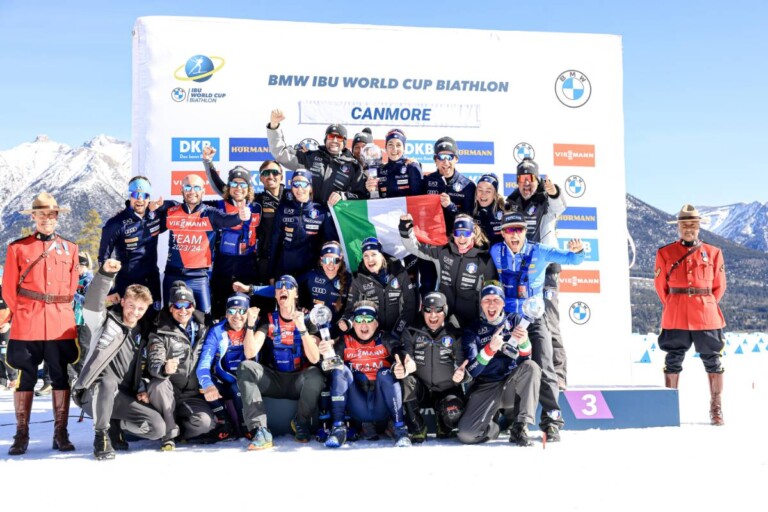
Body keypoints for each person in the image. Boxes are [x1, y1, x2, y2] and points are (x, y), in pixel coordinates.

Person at [489, 211, 585, 442]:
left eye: (518, 230)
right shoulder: (495, 251)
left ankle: (551, 422)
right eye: (509, 230)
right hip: (508, 321)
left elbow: (573, 260)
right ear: (502, 233)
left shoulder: (539, 251)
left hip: (534, 319)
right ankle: (516, 422)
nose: (514, 235)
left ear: (525, 232)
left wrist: (579, 251)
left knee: (545, 366)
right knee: (515, 369)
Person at [3, 192, 80, 455]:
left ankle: (61, 433)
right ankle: (21, 434)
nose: (46, 218)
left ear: (57, 217)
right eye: (41, 214)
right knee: (25, 377)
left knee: (60, 375)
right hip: (28, 322)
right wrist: (24, 312)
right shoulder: (18, 248)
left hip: (59, 323)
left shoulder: (70, 248)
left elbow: (71, 288)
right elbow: (8, 289)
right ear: (33, 217)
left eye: (51, 214)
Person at [74, 259, 165, 460]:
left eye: (140, 309)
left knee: (157, 428)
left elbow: (141, 367)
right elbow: (92, 304)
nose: (135, 312)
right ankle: (101, 436)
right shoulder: (104, 322)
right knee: (107, 382)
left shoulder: (143, 333)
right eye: (131, 305)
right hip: (94, 393)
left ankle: (116, 425)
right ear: (123, 302)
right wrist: (105, 275)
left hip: (124, 396)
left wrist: (143, 388)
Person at [654, 204, 727, 426]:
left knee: (713, 361)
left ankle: (716, 409)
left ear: (699, 227)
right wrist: (674, 303)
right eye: (685, 224)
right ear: (678, 227)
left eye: (693, 225)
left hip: (706, 314)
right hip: (676, 314)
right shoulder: (665, 253)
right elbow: (661, 287)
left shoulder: (714, 253)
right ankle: (669, 408)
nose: (689, 228)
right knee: (673, 359)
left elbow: (719, 287)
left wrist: (705, 303)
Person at [236, 275, 324, 450]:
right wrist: (250, 325)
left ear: (296, 293)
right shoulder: (269, 319)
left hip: (298, 379)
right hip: (274, 379)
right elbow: (250, 353)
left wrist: (302, 329)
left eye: (288, 286)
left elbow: (315, 358)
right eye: (279, 286)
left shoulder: (308, 319)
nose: (283, 289)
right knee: (246, 367)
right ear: (275, 294)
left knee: (315, 374)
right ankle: (260, 430)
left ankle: (300, 422)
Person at [505, 157, 568, 389]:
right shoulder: (511, 202)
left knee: (549, 322)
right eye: (521, 179)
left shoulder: (545, 199)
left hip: (546, 271)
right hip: (521, 274)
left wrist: (554, 191)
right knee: (523, 322)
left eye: (530, 179)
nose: (526, 183)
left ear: (537, 180)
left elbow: (559, 205)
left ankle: (558, 376)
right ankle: (529, 374)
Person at [458, 283, 542, 446]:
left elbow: (526, 361)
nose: (491, 304)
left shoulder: (515, 320)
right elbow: (472, 371)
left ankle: (520, 426)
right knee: (467, 435)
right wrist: (489, 350)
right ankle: (495, 427)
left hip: (511, 384)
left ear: (503, 303)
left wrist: (524, 343)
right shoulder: (472, 329)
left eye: (496, 300)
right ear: (481, 304)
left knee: (532, 367)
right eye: (487, 300)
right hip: (486, 385)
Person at [321, 300, 411, 448]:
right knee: (339, 369)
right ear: (353, 324)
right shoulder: (346, 341)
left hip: (381, 404)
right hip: (357, 404)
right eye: (359, 319)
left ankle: (400, 430)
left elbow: (397, 350)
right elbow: (328, 369)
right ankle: (338, 429)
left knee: (385, 373)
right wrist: (326, 353)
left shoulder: (384, 338)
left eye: (369, 319)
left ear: (376, 323)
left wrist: (402, 363)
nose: (364, 324)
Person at [161, 174, 248, 314]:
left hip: (198, 277)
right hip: (173, 275)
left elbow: (227, 220)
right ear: (181, 190)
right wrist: (157, 206)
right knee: (169, 317)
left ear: (203, 191)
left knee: (205, 318)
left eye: (196, 188)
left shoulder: (210, 213)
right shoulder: (171, 211)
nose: (192, 191)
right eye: (188, 187)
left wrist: (240, 216)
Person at [147, 281, 215, 450]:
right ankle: (168, 436)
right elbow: (154, 360)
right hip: (168, 391)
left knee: (206, 424)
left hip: (192, 394)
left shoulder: (205, 326)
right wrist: (163, 368)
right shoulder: (160, 329)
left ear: (193, 306)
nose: (183, 310)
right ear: (171, 307)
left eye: (187, 305)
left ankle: (178, 430)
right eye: (178, 305)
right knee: (158, 384)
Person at [400, 212, 496, 328]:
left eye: (466, 233)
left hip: (471, 320)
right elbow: (415, 248)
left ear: (473, 234)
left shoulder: (484, 259)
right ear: (453, 234)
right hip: (445, 317)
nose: (461, 238)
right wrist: (406, 230)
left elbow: (493, 293)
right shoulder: (443, 252)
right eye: (458, 233)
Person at [201, 146, 263, 319]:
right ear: (228, 187)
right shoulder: (217, 206)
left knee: (246, 310)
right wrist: (208, 162)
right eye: (234, 183)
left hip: (248, 265)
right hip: (223, 265)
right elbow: (196, 201)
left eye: (242, 184)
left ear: (249, 187)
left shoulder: (257, 206)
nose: (238, 187)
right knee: (220, 309)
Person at [398, 292, 467, 442]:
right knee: (405, 380)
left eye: (438, 310)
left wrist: (461, 374)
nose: (433, 315)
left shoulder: (455, 332)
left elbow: (462, 363)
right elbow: (406, 354)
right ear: (422, 311)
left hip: (447, 389)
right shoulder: (412, 331)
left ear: (445, 310)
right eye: (428, 310)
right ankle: (418, 428)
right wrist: (406, 363)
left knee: (453, 411)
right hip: (421, 389)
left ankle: (443, 424)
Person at [266, 108, 367, 206]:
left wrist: (343, 195)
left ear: (344, 141)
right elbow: (280, 153)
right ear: (325, 139)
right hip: (309, 214)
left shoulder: (353, 166)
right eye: (331, 136)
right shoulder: (310, 157)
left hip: (336, 216)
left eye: (339, 138)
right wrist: (274, 126)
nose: (334, 140)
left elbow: (362, 196)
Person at [197, 292, 260, 438]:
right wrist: (208, 384)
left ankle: (246, 425)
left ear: (248, 313)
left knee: (237, 387)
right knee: (203, 385)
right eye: (231, 311)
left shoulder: (256, 328)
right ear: (226, 314)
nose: (236, 316)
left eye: (242, 311)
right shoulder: (217, 331)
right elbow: (204, 363)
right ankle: (224, 422)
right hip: (224, 380)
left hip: (247, 382)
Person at [98, 176, 165, 311]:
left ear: (149, 198)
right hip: (127, 284)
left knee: (152, 321)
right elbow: (103, 258)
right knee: (127, 322)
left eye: (144, 195)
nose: (140, 199)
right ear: (130, 196)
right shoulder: (115, 223)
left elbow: (178, 208)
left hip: (151, 283)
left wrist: (158, 205)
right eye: (135, 194)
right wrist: (109, 290)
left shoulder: (155, 216)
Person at [339, 237, 417, 339]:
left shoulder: (399, 272)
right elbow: (351, 309)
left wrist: (397, 332)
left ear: (381, 255)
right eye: (366, 256)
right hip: (372, 335)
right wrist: (346, 321)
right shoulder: (358, 278)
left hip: (399, 333)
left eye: (373, 254)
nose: (370, 259)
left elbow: (410, 306)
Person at [267, 170, 337, 280]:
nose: (299, 188)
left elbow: (331, 243)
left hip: (310, 273)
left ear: (310, 187)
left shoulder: (322, 211)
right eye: (295, 184)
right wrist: (271, 273)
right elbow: (275, 241)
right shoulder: (283, 209)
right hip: (285, 270)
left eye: (303, 184)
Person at [298, 241, 352, 339]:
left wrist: (348, 322)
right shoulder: (311, 275)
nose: (330, 264)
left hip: (338, 333)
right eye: (327, 260)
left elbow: (354, 306)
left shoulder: (349, 280)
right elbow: (291, 289)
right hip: (314, 330)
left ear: (340, 261)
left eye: (335, 260)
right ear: (321, 260)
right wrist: (300, 307)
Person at [423, 136, 476, 226]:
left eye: (449, 157)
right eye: (441, 157)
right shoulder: (426, 181)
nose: (446, 162)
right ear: (435, 160)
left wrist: (450, 206)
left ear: (456, 159)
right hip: (432, 233)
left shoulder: (467, 185)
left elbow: (469, 219)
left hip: (457, 233)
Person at [366, 129, 423, 198]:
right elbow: (375, 199)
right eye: (390, 144)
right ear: (386, 148)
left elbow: (419, 199)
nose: (394, 149)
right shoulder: (380, 171)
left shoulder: (412, 167)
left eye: (398, 145)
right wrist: (371, 191)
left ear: (404, 148)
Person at [471, 173, 506, 247]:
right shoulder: (469, 209)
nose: (483, 194)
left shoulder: (504, 211)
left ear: (495, 195)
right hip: (477, 252)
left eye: (488, 191)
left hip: (497, 251)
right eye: (480, 190)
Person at [0, 271, 19, 391]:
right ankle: (2, 380)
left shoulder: (8, 292)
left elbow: (16, 311)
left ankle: (14, 378)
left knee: (4, 354)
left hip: (6, 328)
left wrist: (9, 324)